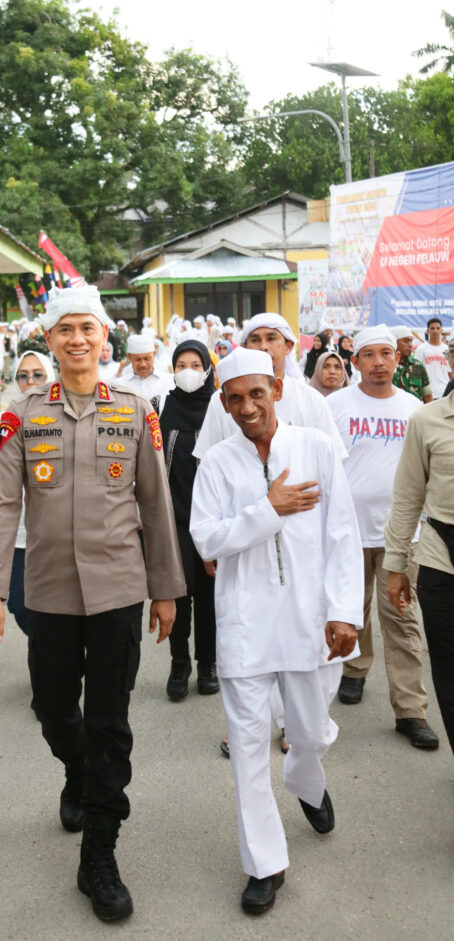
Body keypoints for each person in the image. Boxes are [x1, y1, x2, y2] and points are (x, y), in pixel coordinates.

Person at [0, 286, 185, 923]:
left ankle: (99, 853)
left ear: (104, 338)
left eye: (87, 329)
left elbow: (155, 503)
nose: (77, 340)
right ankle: (78, 770)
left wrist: (167, 588)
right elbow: (0, 504)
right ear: (51, 339)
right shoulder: (23, 414)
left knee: (111, 721)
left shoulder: (136, 409)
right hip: (52, 591)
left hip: (120, 588)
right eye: (65, 330)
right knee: (52, 706)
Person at [190, 349, 363, 916]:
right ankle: (264, 864)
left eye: (256, 394)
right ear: (223, 403)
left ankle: (306, 780)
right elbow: (207, 540)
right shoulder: (216, 462)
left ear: (277, 389)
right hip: (244, 626)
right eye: (234, 398)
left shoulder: (314, 447)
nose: (247, 407)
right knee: (245, 750)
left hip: (310, 620)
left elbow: (342, 533)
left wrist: (345, 611)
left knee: (309, 734)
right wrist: (268, 508)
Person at [326, 327, 438, 748]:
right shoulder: (335, 405)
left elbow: (427, 471)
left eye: (385, 354)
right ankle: (355, 670)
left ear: (397, 360)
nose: (378, 362)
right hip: (347, 532)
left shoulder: (414, 409)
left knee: (403, 621)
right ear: (355, 363)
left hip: (400, 537)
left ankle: (411, 710)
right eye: (369, 355)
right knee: (352, 610)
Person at [385, 382, 454, 757]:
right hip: (441, 556)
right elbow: (408, 496)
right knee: (448, 664)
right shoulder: (427, 420)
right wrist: (396, 565)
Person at [193, 313, 346, 463]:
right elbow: (208, 461)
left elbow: (332, 459)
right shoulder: (222, 400)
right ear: (245, 347)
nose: (263, 347)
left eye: (271, 338)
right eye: (255, 340)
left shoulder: (311, 399)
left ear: (288, 346)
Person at [0, 351, 56, 635]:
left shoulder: (65, 415)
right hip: (19, 537)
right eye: (23, 376)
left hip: (58, 535)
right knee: (21, 606)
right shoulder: (4, 421)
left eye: (38, 375)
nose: (30, 381)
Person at [159, 339, 218, 701]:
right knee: (178, 597)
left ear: (208, 370)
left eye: (196, 365)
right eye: (181, 364)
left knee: (210, 597)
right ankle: (179, 662)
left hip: (213, 521)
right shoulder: (162, 407)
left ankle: (208, 663)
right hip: (174, 520)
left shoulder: (220, 409)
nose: (188, 372)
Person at [118, 333, 174, 412]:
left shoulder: (168, 381)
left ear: (154, 354)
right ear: (129, 357)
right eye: (137, 359)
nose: (143, 364)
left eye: (147, 359)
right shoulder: (120, 385)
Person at [391, 326, 433, 403]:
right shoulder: (387, 366)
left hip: (415, 413)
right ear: (394, 342)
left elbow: (428, 397)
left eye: (411, 341)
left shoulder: (418, 365)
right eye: (406, 341)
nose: (410, 345)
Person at [415, 317, 450, 398]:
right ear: (428, 331)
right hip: (428, 393)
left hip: (444, 392)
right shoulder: (421, 349)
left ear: (441, 330)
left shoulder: (446, 349)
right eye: (432, 328)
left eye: (438, 328)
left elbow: (450, 371)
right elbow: (416, 371)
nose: (435, 331)